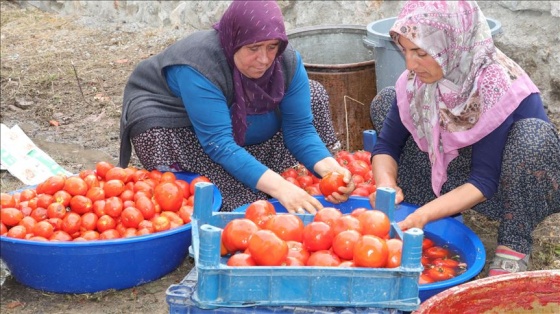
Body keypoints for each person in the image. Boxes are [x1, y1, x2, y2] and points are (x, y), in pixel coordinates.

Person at [369, 0, 559, 276]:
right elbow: (387, 145)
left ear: (452, 45)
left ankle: (514, 240)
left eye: (421, 52)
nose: (410, 64)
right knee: (389, 100)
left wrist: (425, 216)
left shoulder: (493, 83)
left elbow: (485, 179)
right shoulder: (417, 80)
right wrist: (385, 186)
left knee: (533, 136)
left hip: (513, 185)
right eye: (405, 51)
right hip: (460, 170)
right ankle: (430, 208)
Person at [118, 0, 354, 213]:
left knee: (312, 93)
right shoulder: (200, 65)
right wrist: (281, 188)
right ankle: (226, 188)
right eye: (254, 48)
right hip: (178, 122)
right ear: (234, 41)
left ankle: (258, 177)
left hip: (230, 126)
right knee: (223, 201)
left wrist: (332, 172)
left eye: (272, 47)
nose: (264, 59)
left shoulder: (287, 62)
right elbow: (219, 144)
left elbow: (300, 131)